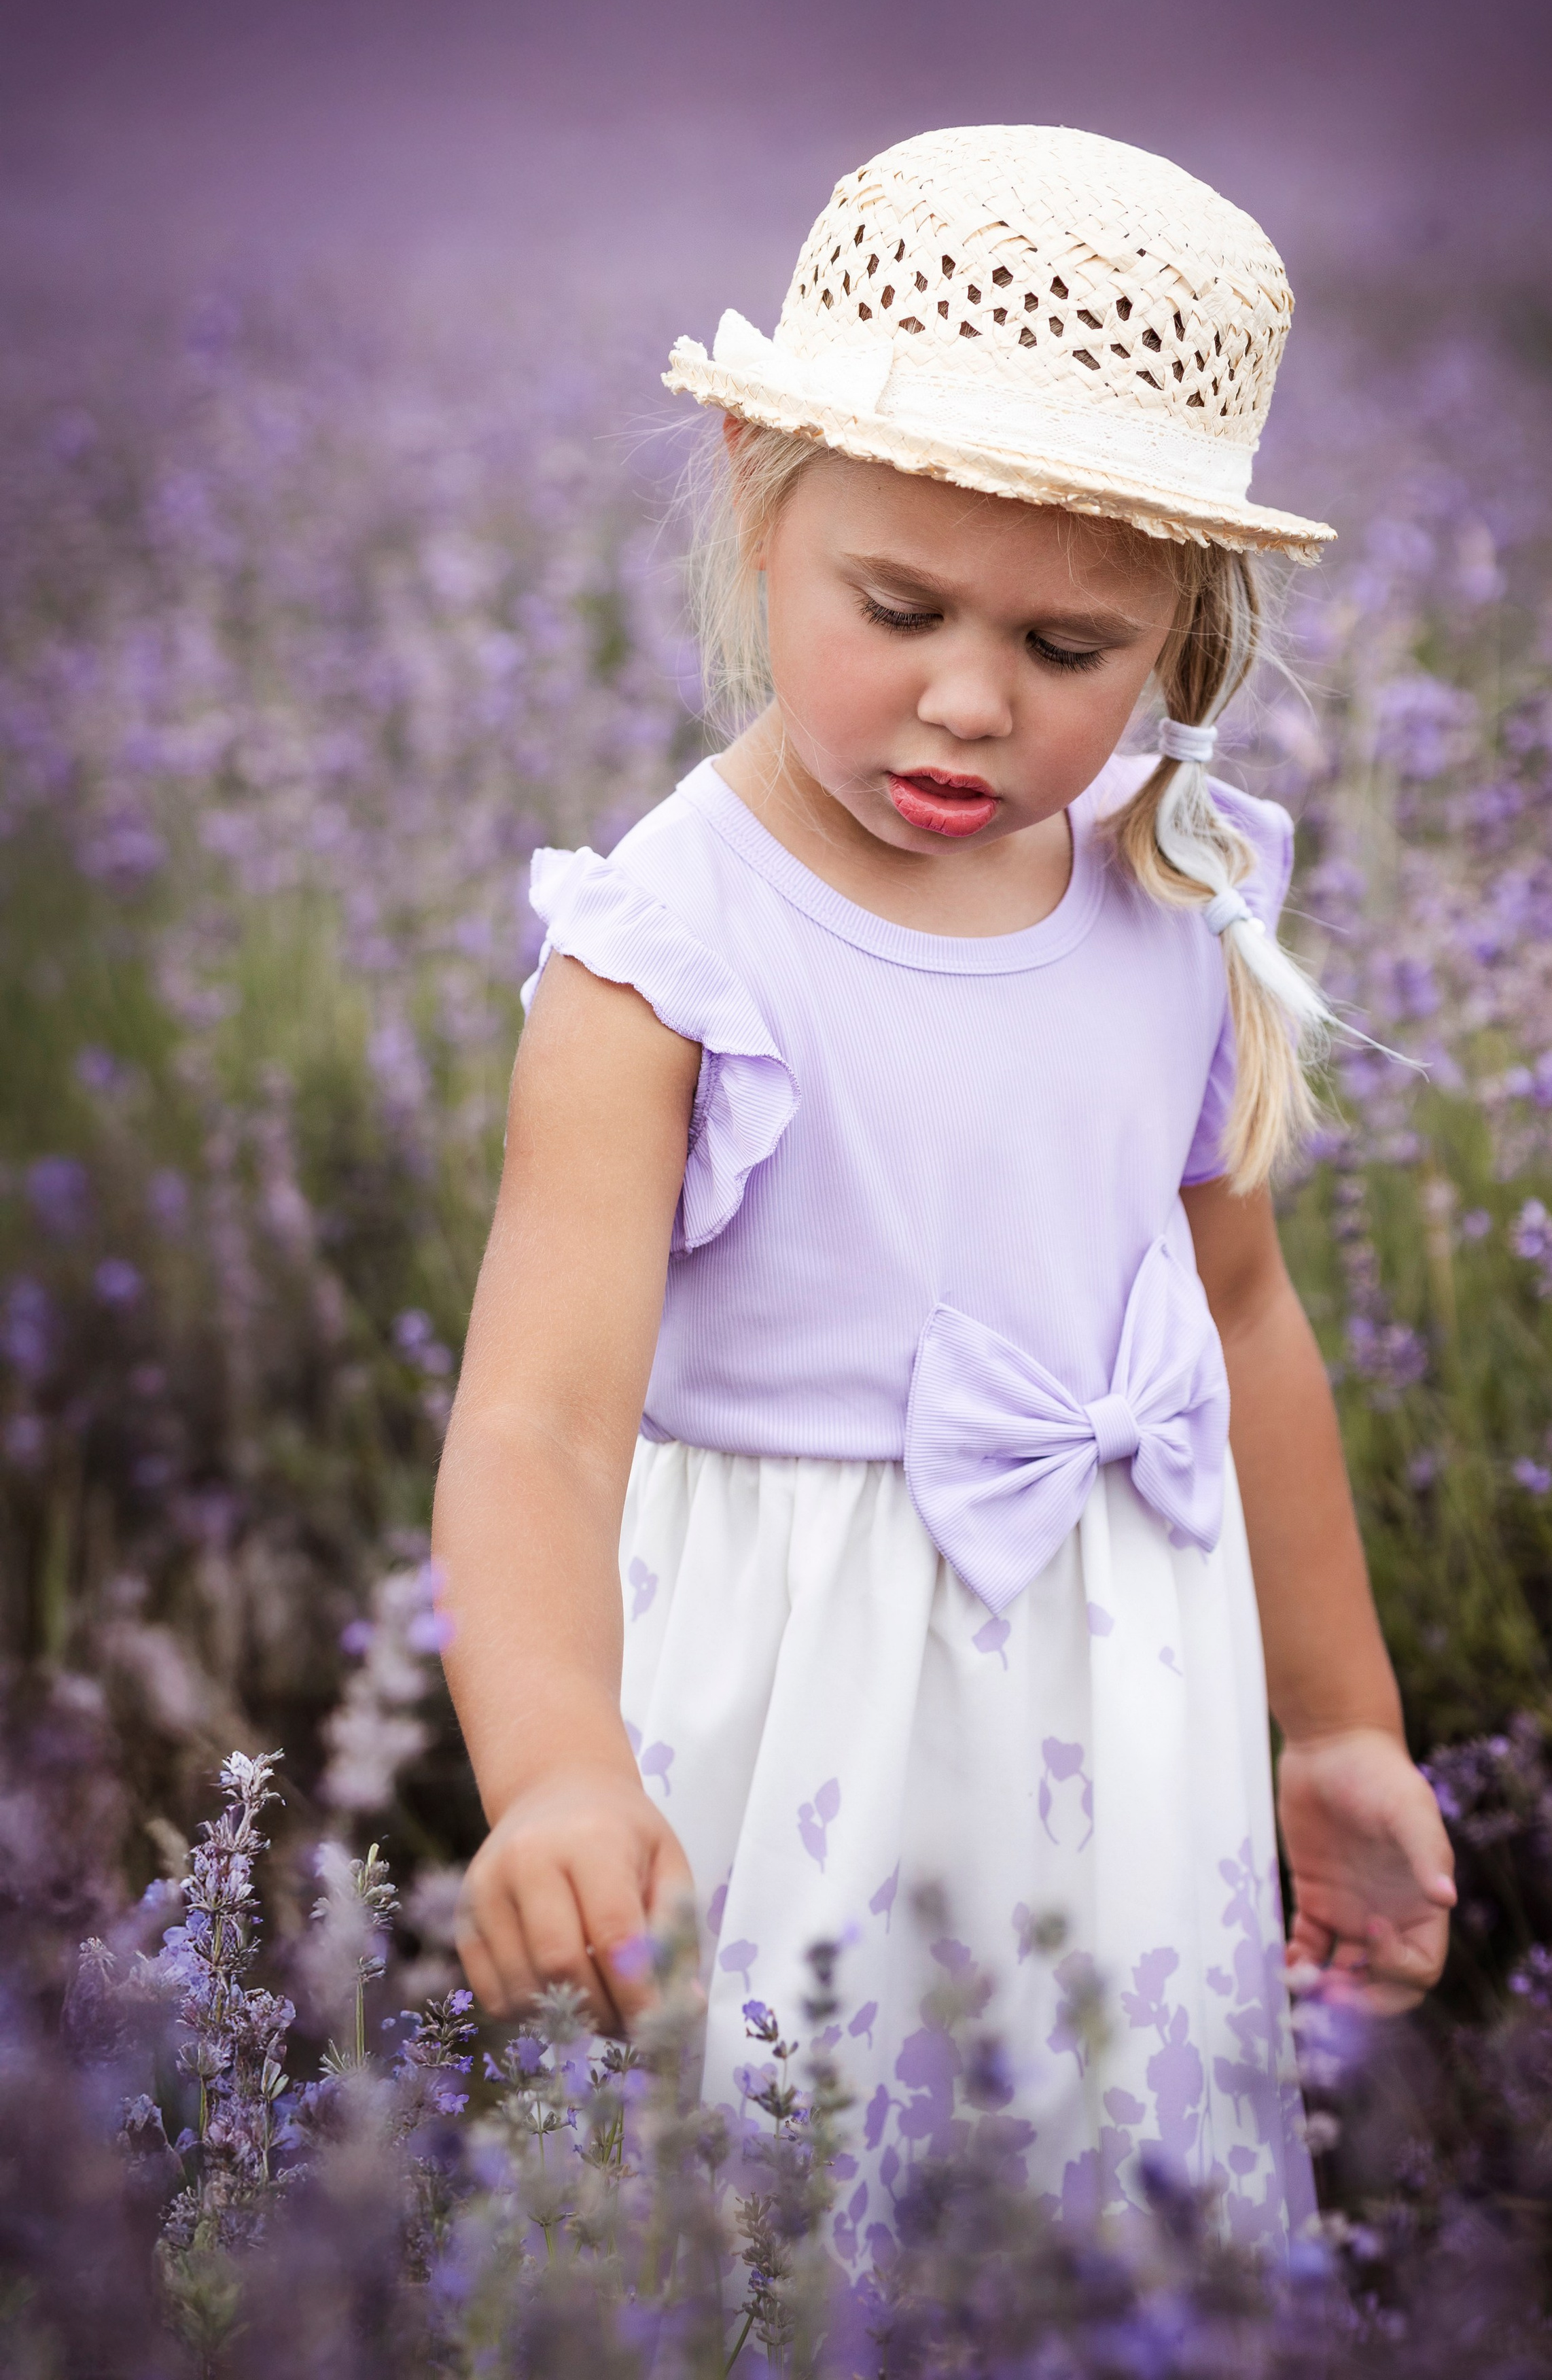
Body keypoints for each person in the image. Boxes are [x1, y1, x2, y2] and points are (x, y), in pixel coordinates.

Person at [433, 125, 1456, 2248]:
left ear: (1184, 628)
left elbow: (1239, 1323)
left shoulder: (1172, 885)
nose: (970, 700)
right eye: (894, 607)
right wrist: (550, 1763)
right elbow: (534, 1419)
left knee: (1112, 2206)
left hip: (1129, 1696)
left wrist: (1344, 1721)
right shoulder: (673, 952)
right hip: (803, 1708)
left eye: (1071, 649)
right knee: (784, 2223)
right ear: (755, 502)